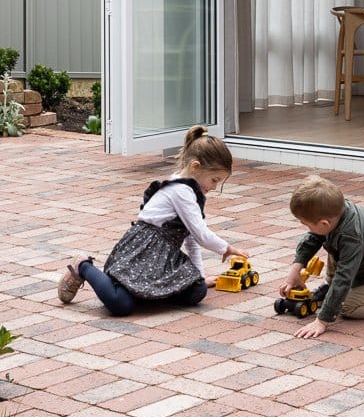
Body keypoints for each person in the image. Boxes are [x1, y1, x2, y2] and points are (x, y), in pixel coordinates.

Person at [58, 126, 239, 316]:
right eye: (214, 180)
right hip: (143, 251)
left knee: (197, 291)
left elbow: (191, 238)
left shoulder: (192, 191)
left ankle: (144, 293)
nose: (215, 187)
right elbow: (202, 235)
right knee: (121, 306)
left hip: (163, 258)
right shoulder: (181, 192)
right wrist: (226, 248)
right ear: (195, 167)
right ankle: (84, 266)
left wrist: (199, 277)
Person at [281, 173, 364, 341]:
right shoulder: (336, 213)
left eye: (306, 224)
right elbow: (313, 238)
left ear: (324, 223)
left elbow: (344, 277)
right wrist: (294, 272)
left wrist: (322, 320)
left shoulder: (352, 237)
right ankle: (331, 289)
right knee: (333, 246)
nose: (306, 228)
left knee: (344, 307)